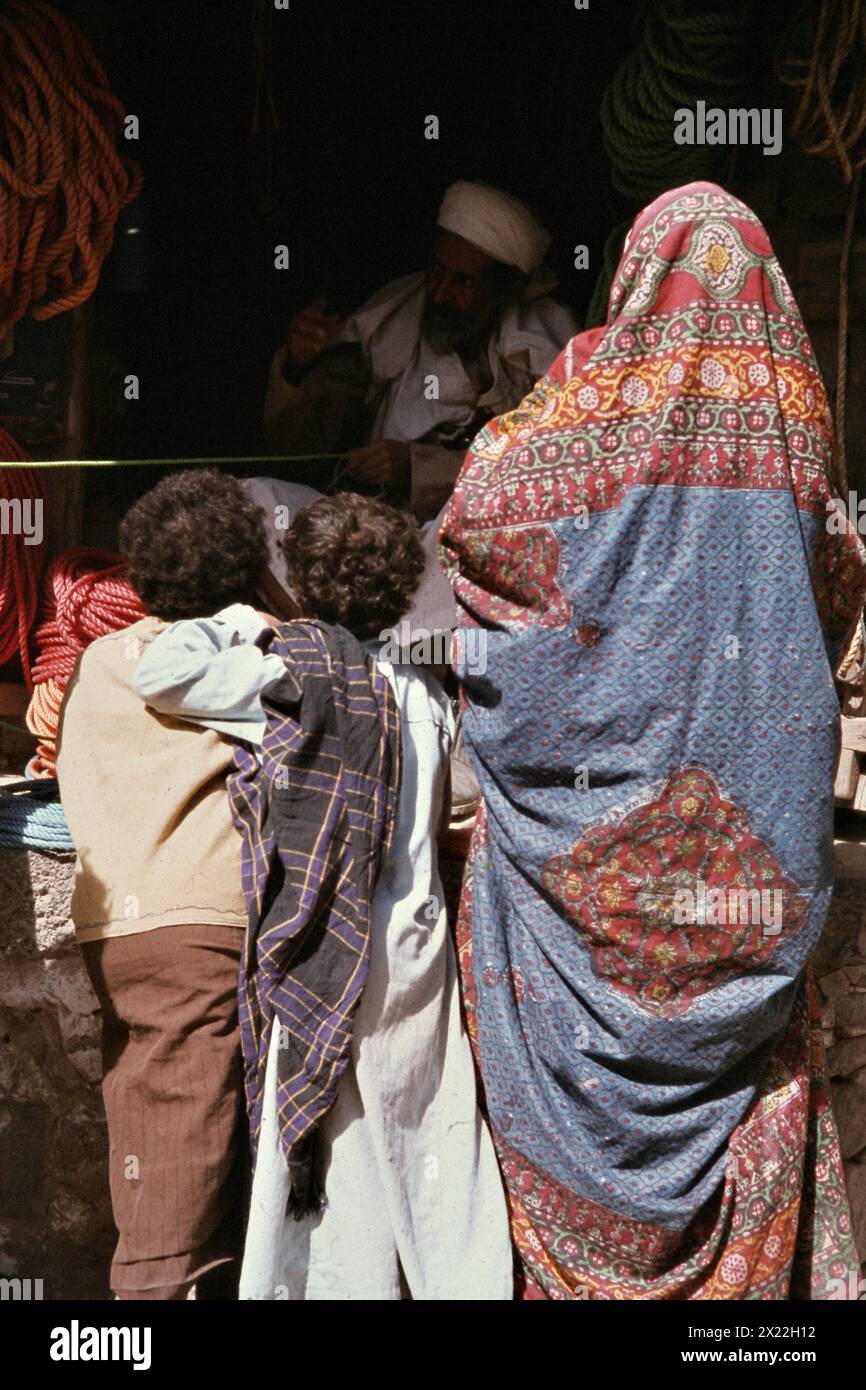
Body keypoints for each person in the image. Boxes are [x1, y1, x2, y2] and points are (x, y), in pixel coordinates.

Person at [438, 181, 866, 1300]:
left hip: (589, 871)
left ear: (633, 277)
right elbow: (835, 602)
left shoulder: (580, 404)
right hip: (750, 856)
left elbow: (473, 519)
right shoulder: (797, 423)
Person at [132, 492, 513, 1301]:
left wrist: (245, 618)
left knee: (322, 1136)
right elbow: (462, 796)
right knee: (429, 1128)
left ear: (299, 581)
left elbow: (161, 672)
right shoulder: (424, 686)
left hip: (321, 946)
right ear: (403, 586)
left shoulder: (290, 672)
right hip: (414, 945)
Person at [55, 470, 272, 1300]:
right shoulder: (244, 653)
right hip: (204, 923)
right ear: (247, 566)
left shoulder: (102, 659)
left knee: (152, 1118)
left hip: (119, 931)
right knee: (188, 1138)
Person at [264, 179, 578, 523]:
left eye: (464, 281)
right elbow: (299, 453)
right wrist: (298, 368)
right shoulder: (387, 320)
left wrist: (420, 468)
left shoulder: (547, 345)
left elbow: (554, 461)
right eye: (437, 270)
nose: (440, 294)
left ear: (507, 288)